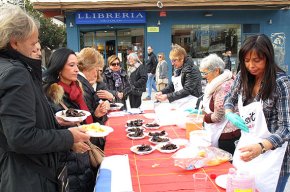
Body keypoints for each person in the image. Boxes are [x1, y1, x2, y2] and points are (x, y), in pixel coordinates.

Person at [0, 5, 90, 192]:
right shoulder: (15, 72)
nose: (38, 49)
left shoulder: (11, 69)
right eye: (33, 43)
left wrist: (55, 124)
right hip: (28, 178)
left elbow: (19, 122)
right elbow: (20, 137)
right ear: (15, 42)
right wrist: (68, 136)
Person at [224, 34, 289, 192]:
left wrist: (261, 147)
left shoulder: (281, 83)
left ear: (268, 58)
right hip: (247, 146)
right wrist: (228, 112)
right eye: (246, 61)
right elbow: (229, 98)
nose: (251, 66)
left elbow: (286, 127)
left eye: (257, 60)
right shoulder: (242, 77)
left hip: (274, 154)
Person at [43, 48, 100, 192]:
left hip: (84, 157)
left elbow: (85, 118)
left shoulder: (77, 90)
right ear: (59, 68)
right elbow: (49, 130)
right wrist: (69, 142)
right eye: (71, 65)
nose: (76, 70)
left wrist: (97, 114)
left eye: (76, 65)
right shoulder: (51, 94)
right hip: (68, 163)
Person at [199, 54, 240, 155]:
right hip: (220, 132)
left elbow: (219, 115)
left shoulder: (224, 86)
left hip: (227, 135)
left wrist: (204, 118)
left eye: (205, 73)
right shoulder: (216, 83)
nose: (204, 76)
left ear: (216, 71)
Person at [155, 44, 203, 109]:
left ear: (182, 58)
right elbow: (171, 85)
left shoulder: (192, 70)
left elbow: (187, 90)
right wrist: (161, 92)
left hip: (192, 104)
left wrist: (167, 96)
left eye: (174, 60)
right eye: (171, 60)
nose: (172, 63)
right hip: (180, 102)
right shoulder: (177, 68)